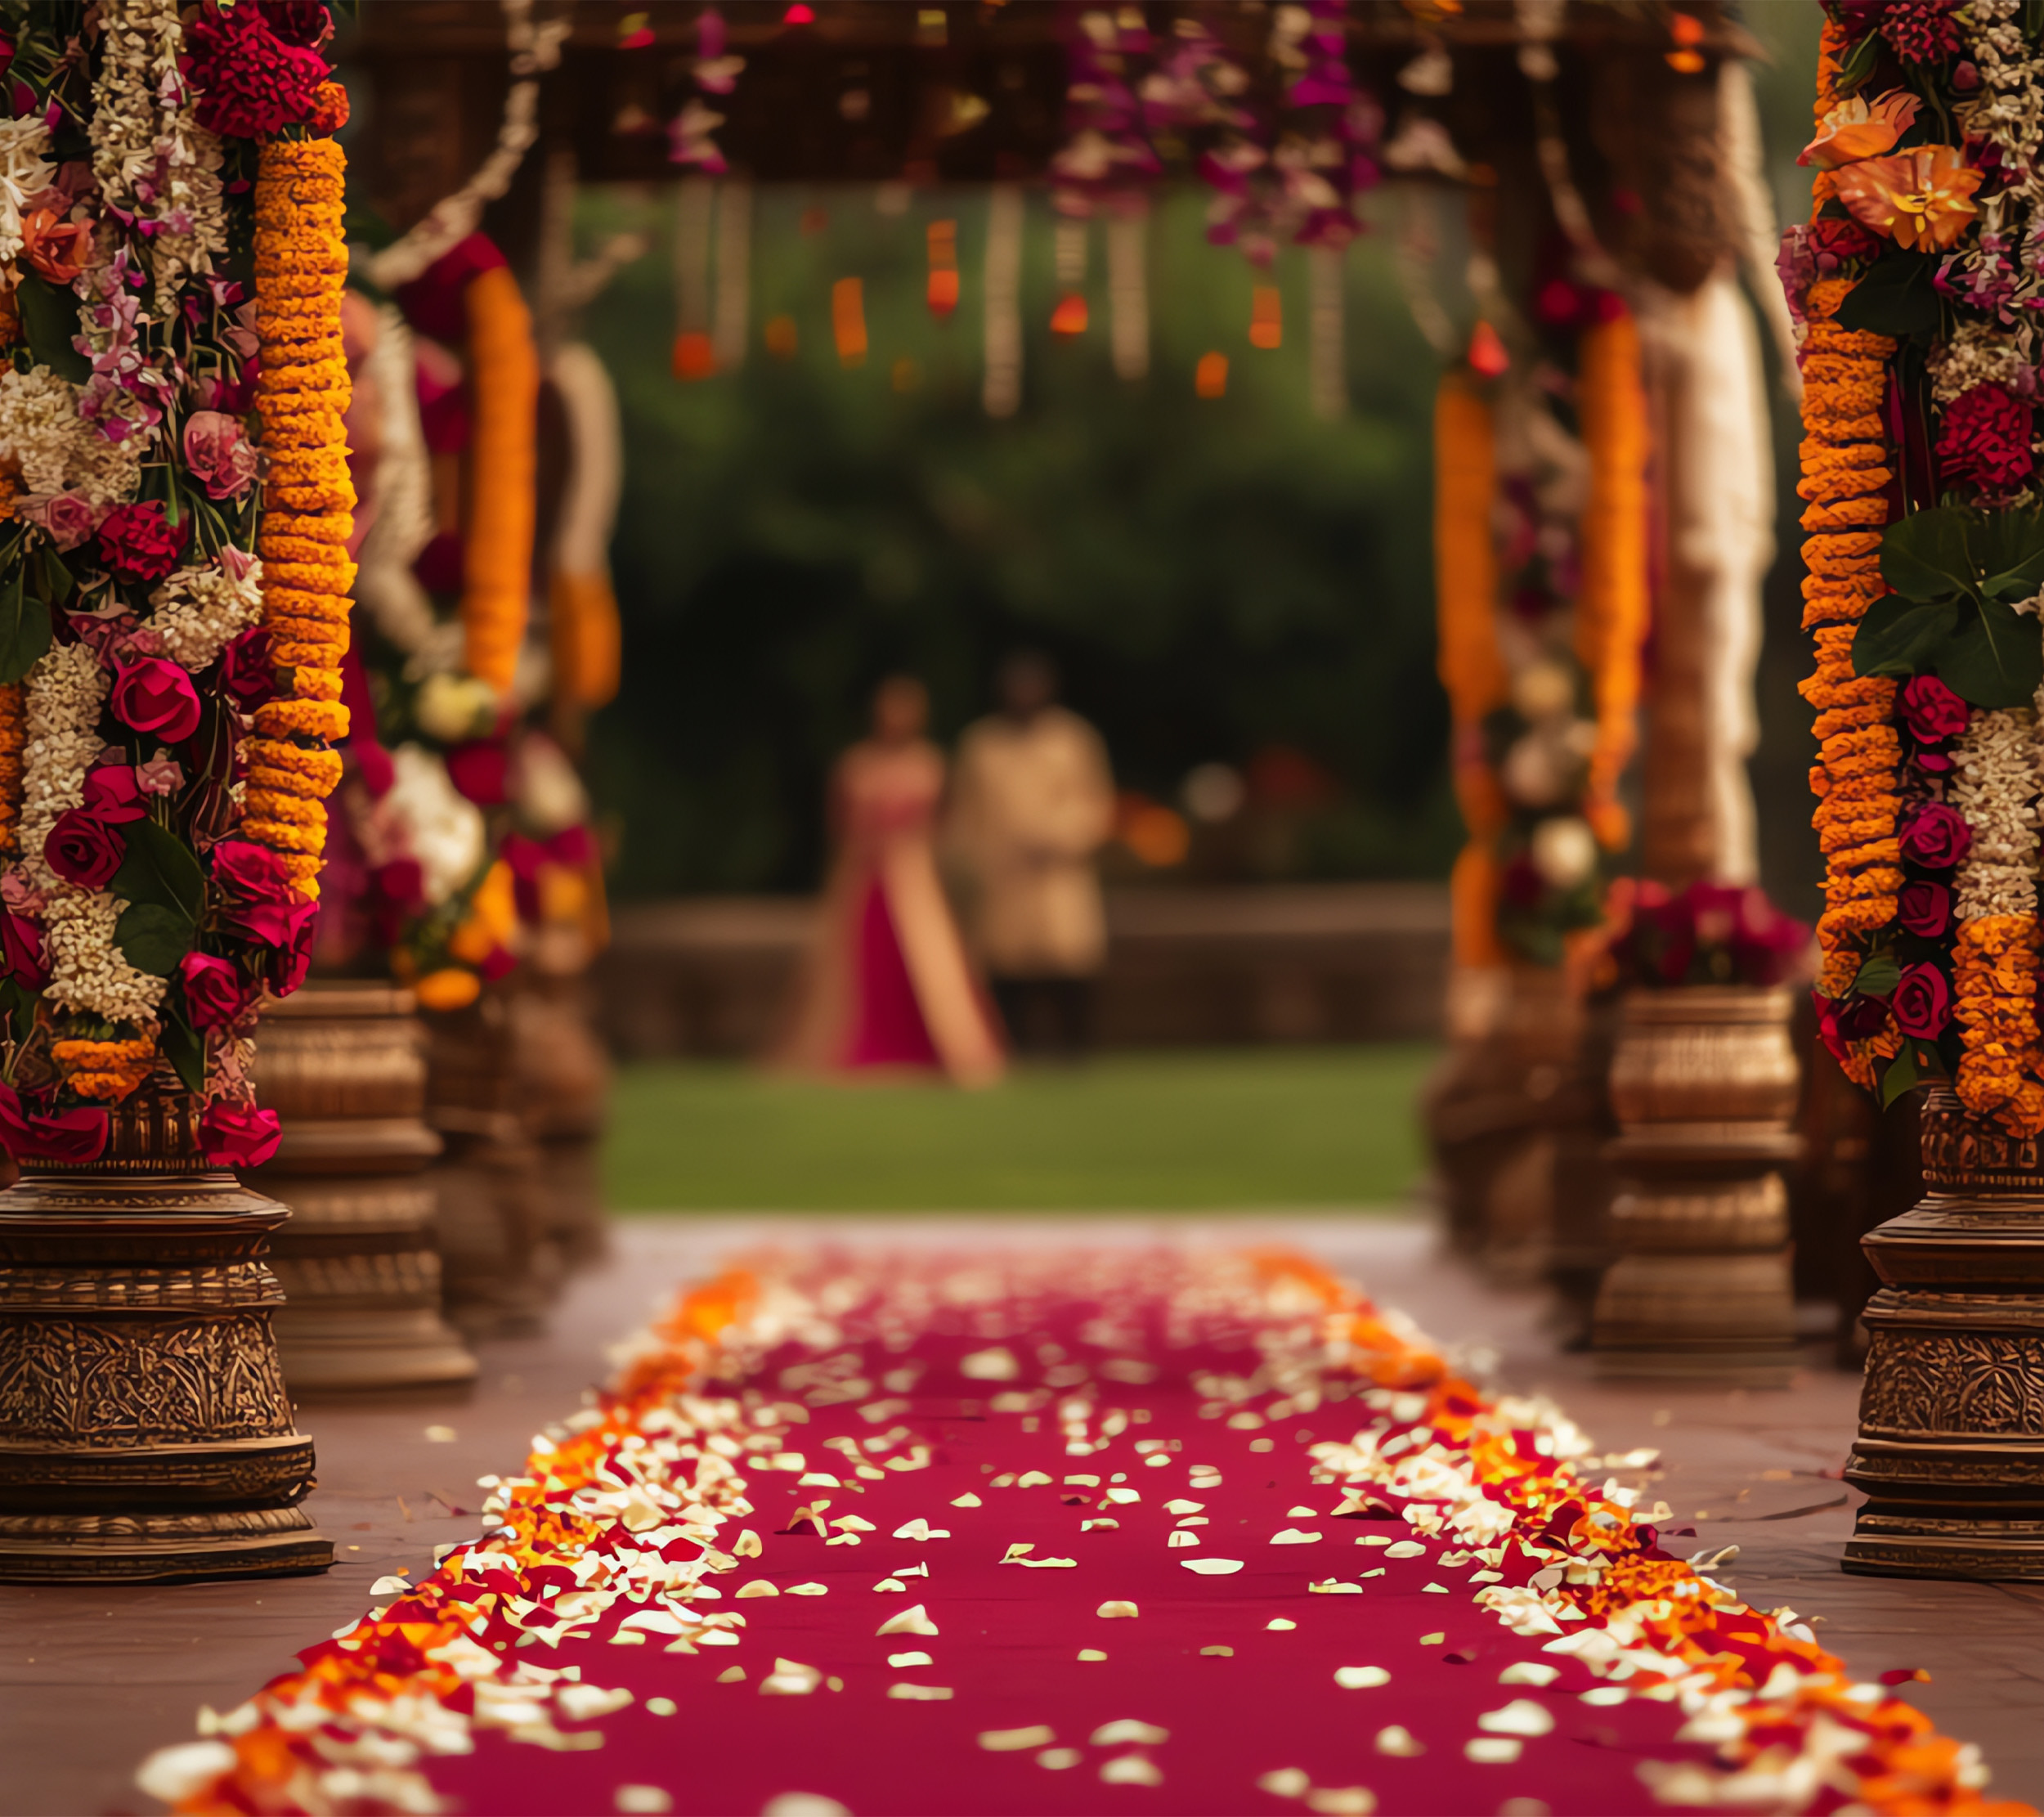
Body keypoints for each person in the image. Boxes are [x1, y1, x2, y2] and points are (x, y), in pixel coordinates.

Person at [775, 676, 1005, 1086]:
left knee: (928, 966)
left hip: (914, 881)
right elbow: (839, 826)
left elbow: (943, 827)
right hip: (863, 879)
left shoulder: (930, 765)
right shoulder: (856, 764)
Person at [947, 651, 1116, 1056]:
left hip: (1059, 873)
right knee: (1007, 969)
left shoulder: (1073, 739)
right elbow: (965, 817)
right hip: (1005, 876)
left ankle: (1076, 1051)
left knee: (1068, 965)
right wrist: (976, 861)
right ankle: (1013, 1050)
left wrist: (1061, 837)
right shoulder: (982, 745)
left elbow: (1096, 804)